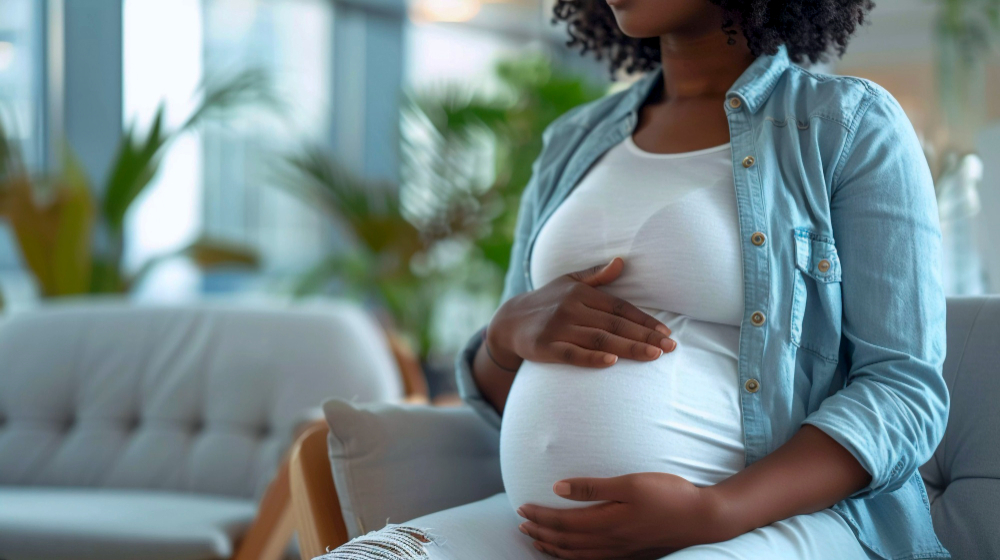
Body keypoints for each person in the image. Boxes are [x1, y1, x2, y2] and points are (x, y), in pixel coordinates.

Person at [317, 0, 950, 558]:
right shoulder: (573, 141)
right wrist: (504, 338)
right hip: (544, 530)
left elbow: (904, 391)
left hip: (771, 523)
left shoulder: (846, 125)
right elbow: (504, 392)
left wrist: (715, 512)